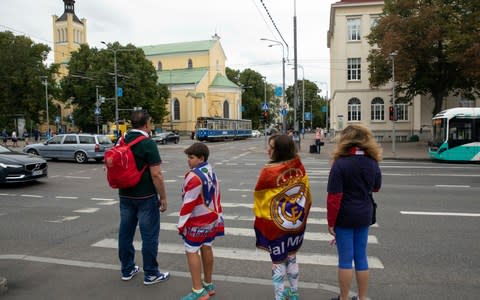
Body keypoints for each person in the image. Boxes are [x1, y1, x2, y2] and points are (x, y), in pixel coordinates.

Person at [326, 124, 382, 300]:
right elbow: (376, 187)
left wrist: (331, 222)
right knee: (361, 257)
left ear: (345, 140)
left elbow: (334, 198)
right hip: (364, 215)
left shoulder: (340, 164)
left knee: (345, 260)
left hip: (344, 216)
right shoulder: (372, 162)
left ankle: (343, 298)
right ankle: (362, 297)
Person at [253, 134, 312, 300]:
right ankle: (293, 293)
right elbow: (305, 192)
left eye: (271, 147)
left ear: (279, 151)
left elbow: (260, 196)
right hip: (295, 223)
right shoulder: (298, 166)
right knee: (292, 256)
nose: (268, 150)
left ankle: (279, 297)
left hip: (277, 225)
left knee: (278, 261)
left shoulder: (269, 172)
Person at [117, 110, 170, 285]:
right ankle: (151, 274)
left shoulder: (122, 140)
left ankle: (127, 269)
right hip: (146, 196)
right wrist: (163, 197)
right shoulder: (148, 143)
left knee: (125, 233)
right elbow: (156, 174)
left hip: (125, 194)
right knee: (149, 235)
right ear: (146, 124)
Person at [178, 142, 224, 300]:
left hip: (198, 220)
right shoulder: (210, 170)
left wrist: (181, 224)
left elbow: (188, 202)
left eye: (191, 157)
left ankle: (198, 291)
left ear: (201, 158)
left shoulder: (193, 176)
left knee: (191, 250)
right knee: (207, 247)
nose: (188, 160)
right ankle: (208, 284)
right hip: (212, 218)